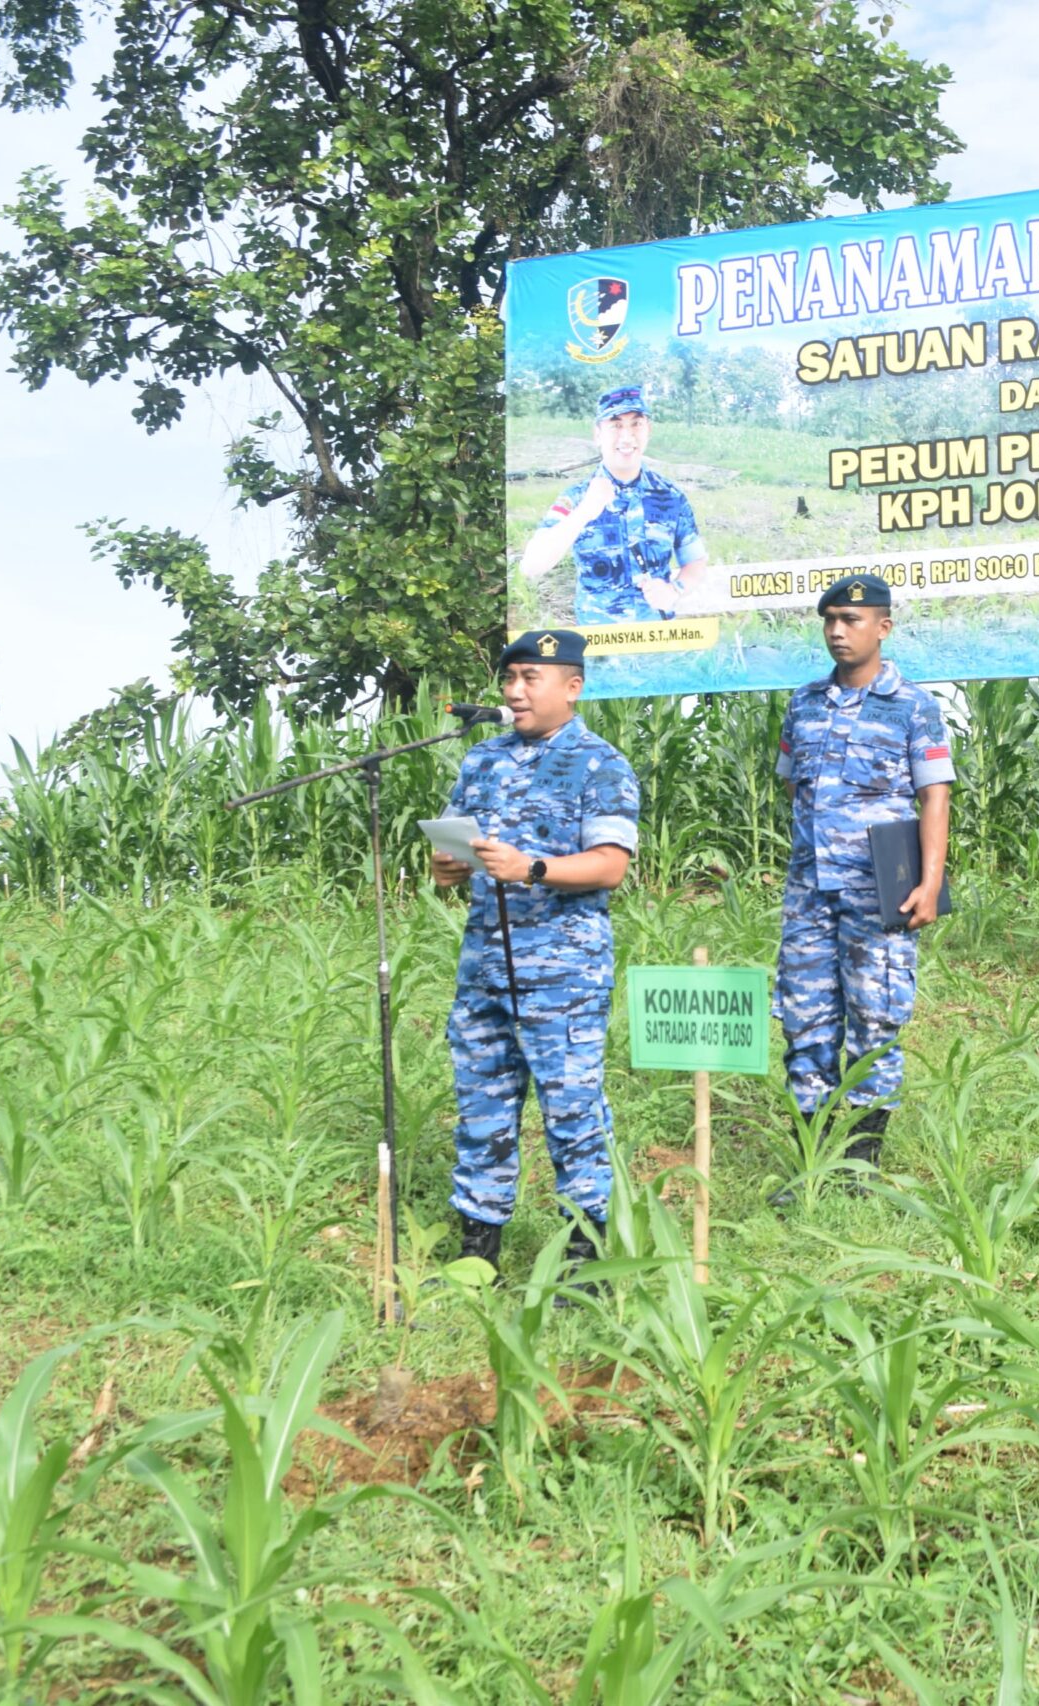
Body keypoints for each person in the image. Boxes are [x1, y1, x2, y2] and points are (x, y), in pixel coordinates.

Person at [428, 630, 640, 1274]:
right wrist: (448, 866)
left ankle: (586, 1255)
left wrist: (533, 867)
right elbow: (452, 845)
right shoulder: (482, 761)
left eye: (530, 679)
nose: (514, 693)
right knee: (481, 1106)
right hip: (486, 966)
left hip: (562, 972)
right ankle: (478, 1251)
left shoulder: (600, 764)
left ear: (571, 687)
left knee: (572, 1108)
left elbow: (609, 867)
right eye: (509, 679)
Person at [774, 573, 953, 1184]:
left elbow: (935, 797)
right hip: (809, 890)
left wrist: (929, 883)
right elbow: (795, 785)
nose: (836, 631)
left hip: (879, 887)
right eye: (829, 620)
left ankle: (860, 1160)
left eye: (851, 620)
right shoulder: (803, 703)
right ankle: (812, 1154)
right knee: (804, 1015)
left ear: (883, 627)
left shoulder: (913, 706)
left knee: (875, 1015)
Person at [515, 384, 710, 625]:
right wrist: (586, 511)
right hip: (600, 646)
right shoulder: (576, 498)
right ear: (598, 434)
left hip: (659, 642)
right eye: (615, 425)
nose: (626, 436)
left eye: (636, 424)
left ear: (648, 429)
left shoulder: (671, 497)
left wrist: (675, 589)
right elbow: (532, 566)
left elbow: (696, 562)